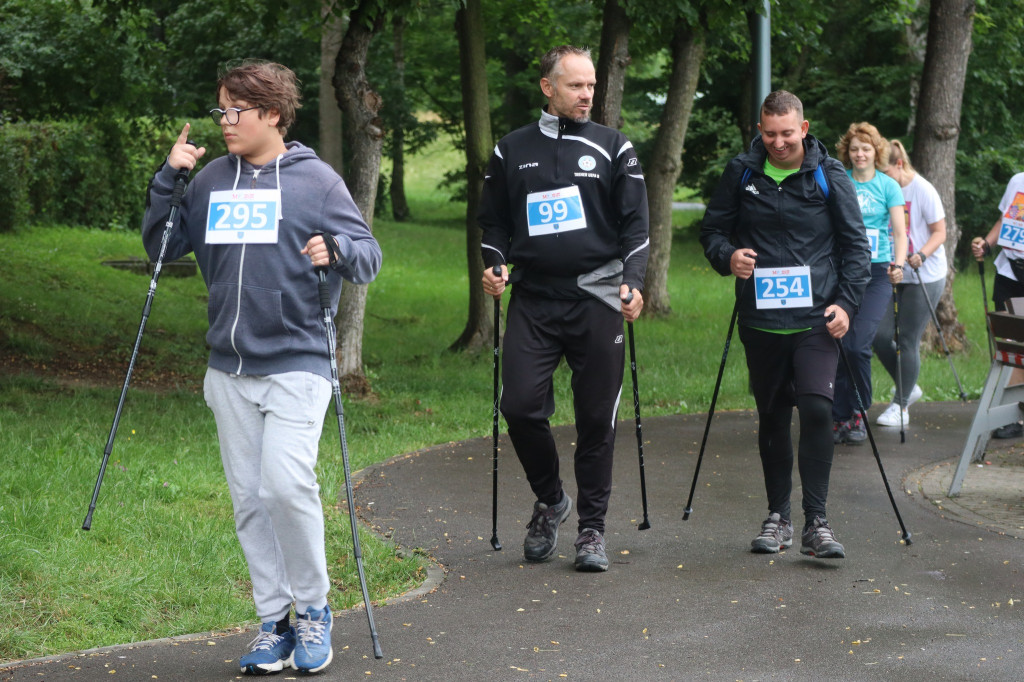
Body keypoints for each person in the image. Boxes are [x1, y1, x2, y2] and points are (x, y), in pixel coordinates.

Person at [142, 60, 382, 675]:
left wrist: (339, 249)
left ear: (272, 114)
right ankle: (273, 621)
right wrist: (169, 179)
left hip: (297, 361)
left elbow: (369, 257)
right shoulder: (211, 179)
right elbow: (164, 249)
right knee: (249, 498)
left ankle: (314, 610)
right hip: (228, 368)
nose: (225, 122)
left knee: (284, 484)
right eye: (221, 109)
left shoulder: (316, 181)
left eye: (236, 111)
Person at [479, 45, 649, 572]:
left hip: (600, 293)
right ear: (547, 87)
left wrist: (634, 282)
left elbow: (636, 226)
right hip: (535, 295)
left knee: (597, 418)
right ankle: (552, 501)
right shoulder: (511, 149)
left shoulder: (614, 147)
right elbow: (494, 222)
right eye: (576, 86)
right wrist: (495, 263)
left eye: (591, 85)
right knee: (520, 408)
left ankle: (592, 531)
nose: (587, 95)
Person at [700, 90, 870, 559]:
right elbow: (713, 231)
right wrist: (727, 256)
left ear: (805, 128)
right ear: (760, 129)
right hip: (762, 319)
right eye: (769, 133)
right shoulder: (742, 172)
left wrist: (847, 306)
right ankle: (778, 518)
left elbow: (856, 248)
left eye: (787, 134)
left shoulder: (827, 174)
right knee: (773, 414)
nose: (778, 143)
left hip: (816, 318)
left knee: (817, 408)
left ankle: (818, 521)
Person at [831, 123, 907, 444]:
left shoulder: (888, 186)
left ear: (877, 152)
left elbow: (900, 232)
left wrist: (899, 265)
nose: (860, 154)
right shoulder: (839, 181)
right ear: (846, 154)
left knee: (859, 344)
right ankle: (838, 416)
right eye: (854, 149)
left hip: (876, 274)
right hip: (843, 272)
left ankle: (858, 412)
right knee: (837, 343)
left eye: (866, 149)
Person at [872, 139, 947, 427]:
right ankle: (909, 385)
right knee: (878, 336)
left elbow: (940, 232)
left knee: (907, 339)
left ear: (899, 164)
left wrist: (922, 254)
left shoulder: (922, 190)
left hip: (923, 275)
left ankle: (900, 406)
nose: (882, 179)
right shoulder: (882, 188)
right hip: (893, 271)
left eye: (885, 172)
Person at [971, 170, 1024, 438]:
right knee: (1010, 341)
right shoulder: (1018, 180)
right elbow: (1007, 220)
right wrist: (987, 244)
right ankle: (1011, 414)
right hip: (1010, 271)